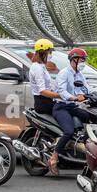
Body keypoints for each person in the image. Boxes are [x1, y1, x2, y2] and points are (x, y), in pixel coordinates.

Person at [28, 38, 64, 174]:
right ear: (43, 52)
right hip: (43, 102)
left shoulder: (42, 66)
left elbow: (52, 85)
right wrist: (60, 96)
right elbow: (43, 90)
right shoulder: (37, 68)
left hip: (48, 100)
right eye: (50, 51)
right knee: (64, 117)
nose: (51, 54)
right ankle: (55, 155)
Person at [54, 47, 95, 161]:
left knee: (92, 118)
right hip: (61, 107)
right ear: (74, 60)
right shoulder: (64, 73)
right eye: (81, 60)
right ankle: (54, 156)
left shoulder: (79, 74)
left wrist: (96, 95)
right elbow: (62, 91)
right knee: (69, 131)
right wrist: (74, 98)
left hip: (73, 107)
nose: (83, 63)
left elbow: (86, 88)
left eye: (83, 60)